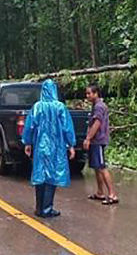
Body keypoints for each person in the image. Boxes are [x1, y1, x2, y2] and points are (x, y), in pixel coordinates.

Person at [22, 79, 76, 218]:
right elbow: (67, 128)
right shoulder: (60, 107)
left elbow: (30, 126)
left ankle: (40, 208)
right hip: (55, 147)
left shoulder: (37, 107)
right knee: (51, 176)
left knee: (41, 176)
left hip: (40, 146)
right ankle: (47, 209)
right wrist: (71, 145)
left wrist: (28, 143)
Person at [83, 84, 118, 205]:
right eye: (86, 93)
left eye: (89, 93)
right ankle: (100, 192)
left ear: (96, 93)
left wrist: (88, 138)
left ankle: (112, 194)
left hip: (98, 140)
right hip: (95, 141)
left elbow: (97, 123)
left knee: (102, 167)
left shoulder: (99, 107)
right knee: (97, 167)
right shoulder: (95, 106)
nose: (87, 96)